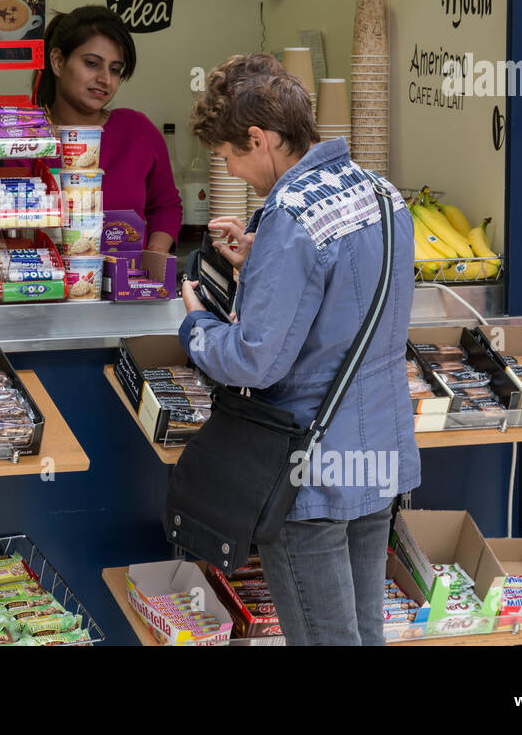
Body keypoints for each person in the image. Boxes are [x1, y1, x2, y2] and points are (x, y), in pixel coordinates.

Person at [178, 52, 420, 646]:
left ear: (260, 139)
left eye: (233, 154)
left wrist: (196, 328)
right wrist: (264, 257)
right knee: (363, 633)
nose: (232, 170)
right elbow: (345, 297)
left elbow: (256, 361)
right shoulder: (382, 192)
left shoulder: (290, 215)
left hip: (308, 468)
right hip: (378, 452)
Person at [34, 5, 181, 253]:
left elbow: (166, 205)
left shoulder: (137, 131)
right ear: (58, 62)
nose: (105, 79)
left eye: (115, 69)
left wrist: (154, 256)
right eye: (92, 63)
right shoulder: (24, 138)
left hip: (127, 287)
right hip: (42, 286)